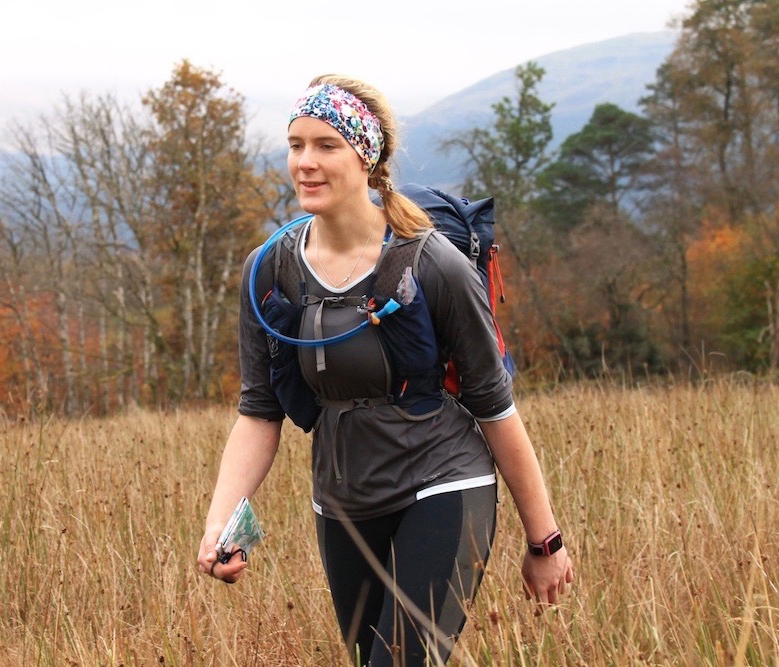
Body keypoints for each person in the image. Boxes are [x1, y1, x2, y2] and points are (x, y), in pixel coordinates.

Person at [196, 74, 573, 666]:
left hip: (444, 481)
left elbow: (495, 408)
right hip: (342, 501)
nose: (306, 163)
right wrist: (220, 523)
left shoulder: (433, 264)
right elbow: (258, 412)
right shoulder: (269, 271)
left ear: (367, 158)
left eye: (326, 146)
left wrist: (543, 540)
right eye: (296, 145)